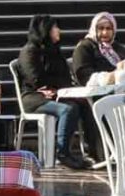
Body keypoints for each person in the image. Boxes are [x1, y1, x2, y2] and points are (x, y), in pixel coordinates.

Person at [15, 15, 96, 170]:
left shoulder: (54, 50)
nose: (58, 30)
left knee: (85, 104)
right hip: (34, 98)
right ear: (45, 30)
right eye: (54, 27)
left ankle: (94, 150)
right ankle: (63, 152)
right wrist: (53, 86)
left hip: (55, 94)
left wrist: (58, 88)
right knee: (68, 109)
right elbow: (37, 80)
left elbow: (64, 76)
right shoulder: (29, 51)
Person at [70, 12, 125, 86]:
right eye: (101, 28)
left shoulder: (117, 47)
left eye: (108, 28)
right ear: (94, 29)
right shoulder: (84, 47)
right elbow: (84, 75)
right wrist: (110, 77)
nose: (105, 32)